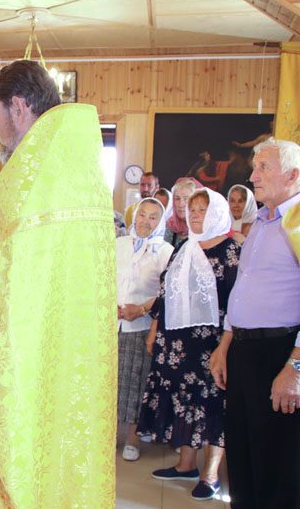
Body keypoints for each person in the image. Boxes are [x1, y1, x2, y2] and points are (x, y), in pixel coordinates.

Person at [0, 59, 117, 508]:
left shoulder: (29, 182)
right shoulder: (82, 173)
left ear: (18, 107)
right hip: (70, 353)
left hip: (15, 354)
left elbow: (0, 282)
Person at [211, 138, 300, 508]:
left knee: (277, 462)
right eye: (254, 167)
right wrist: (224, 345)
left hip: (280, 352)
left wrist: (295, 368)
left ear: (293, 175)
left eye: (264, 167)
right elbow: (242, 290)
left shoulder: (298, 222)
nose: (253, 176)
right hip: (243, 350)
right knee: (243, 452)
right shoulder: (261, 222)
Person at [137, 188, 239, 502]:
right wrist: (154, 329)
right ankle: (185, 465)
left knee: (211, 406)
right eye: (191, 210)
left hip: (211, 346)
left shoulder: (230, 251)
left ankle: (210, 475)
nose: (194, 215)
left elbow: (236, 304)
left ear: (216, 213)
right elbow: (166, 293)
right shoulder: (185, 246)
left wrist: (224, 347)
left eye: (201, 210)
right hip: (175, 343)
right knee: (183, 402)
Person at [115, 198, 173, 462]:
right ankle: (108, 435)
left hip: (141, 325)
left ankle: (133, 438)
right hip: (112, 324)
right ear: (134, 216)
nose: (145, 221)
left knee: (136, 383)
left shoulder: (165, 251)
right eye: (142, 215)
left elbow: (166, 292)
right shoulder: (118, 244)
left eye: (153, 217)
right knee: (112, 381)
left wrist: (139, 309)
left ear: (160, 222)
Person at [166, 177, 202, 248]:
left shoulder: (205, 231)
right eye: (177, 198)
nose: (180, 204)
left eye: (186, 199)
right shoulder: (170, 227)